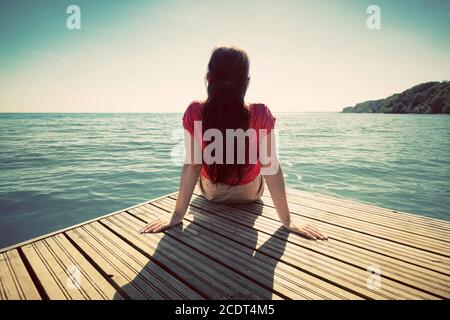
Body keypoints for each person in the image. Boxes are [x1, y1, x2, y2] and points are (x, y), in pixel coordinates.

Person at [140, 47, 327, 240]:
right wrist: (287, 220)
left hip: (212, 193)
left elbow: (193, 165)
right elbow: (270, 167)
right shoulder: (261, 112)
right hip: (249, 193)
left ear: (208, 78)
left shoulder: (195, 110)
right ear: (246, 82)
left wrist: (177, 214)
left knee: (199, 167)